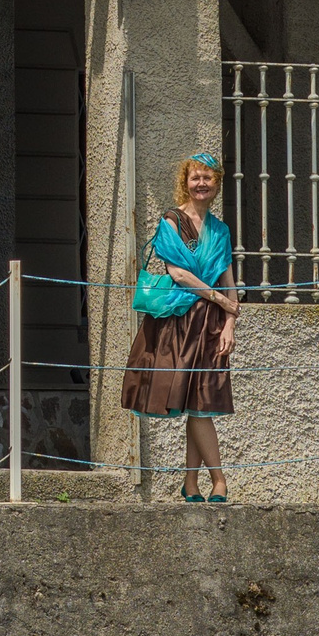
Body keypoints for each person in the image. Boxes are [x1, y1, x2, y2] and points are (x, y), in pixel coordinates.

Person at [120, 151, 238, 504]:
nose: (201, 183)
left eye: (208, 177)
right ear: (185, 183)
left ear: (217, 183)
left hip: (212, 326)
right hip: (178, 325)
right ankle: (219, 480)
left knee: (199, 402)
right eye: (195, 178)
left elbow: (229, 281)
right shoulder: (170, 221)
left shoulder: (220, 230)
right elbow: (179, 274)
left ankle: (191, 484)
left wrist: (230, 322)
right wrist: (221, 301)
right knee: (197, 405)